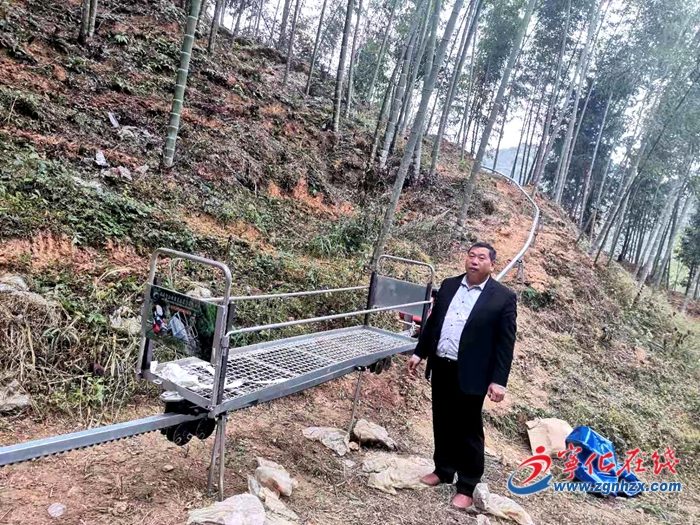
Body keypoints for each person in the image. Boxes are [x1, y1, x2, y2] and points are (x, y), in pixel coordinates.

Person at [407, 242, 517, 510]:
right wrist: (419, 353)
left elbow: (505, 343)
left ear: (492, 264)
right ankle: (443, 470)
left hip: (473, 373)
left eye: (481, 257)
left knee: (468, 428)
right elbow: (433, 322)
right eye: (471, 256)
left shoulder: (502, 297)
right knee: (442, 420)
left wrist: (499, 380)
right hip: (441, 365)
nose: (474, 261)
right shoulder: (449, 285)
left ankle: (467, 485)